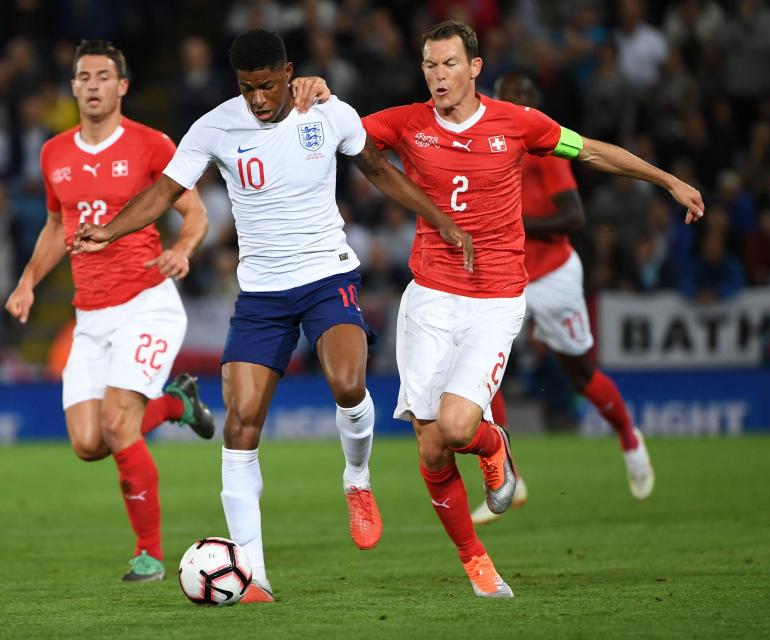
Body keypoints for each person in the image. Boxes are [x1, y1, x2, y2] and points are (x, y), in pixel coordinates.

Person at [73, 29, 474, 603]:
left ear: (289, 72)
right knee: (240, 424)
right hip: (261, 296)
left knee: (349, 382)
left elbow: (381, 171)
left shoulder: (328, 112)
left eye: (266, 86)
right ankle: (254, 576)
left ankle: (356, 479)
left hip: (326, 276)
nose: (258, 100)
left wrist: (441, 219)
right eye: (246, 89)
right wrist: (110, 229)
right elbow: (165, 189)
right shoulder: (215, 126)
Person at [349, 20, 701, 598]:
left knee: (460, 428)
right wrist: (310, 93)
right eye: (430, 66)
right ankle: (476, 563)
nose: (438, 76)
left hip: (494, 300)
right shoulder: (404, 122)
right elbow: (339, 136)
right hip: (430, 297)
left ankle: (494, 445)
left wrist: (667, 181)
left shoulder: (517, 124)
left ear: (475, 67)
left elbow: (590, 150)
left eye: (450, 64)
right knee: (432, 443)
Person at [4, 40, 216, 583]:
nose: (93, 85)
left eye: (103, 76)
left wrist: (181, 250)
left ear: (122, 86)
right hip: (91, 316)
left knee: (119, 426)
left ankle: (148, 554)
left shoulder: (151, 144)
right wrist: (28, 281)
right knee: (87, 443)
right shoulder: (54, 153)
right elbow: (58, 227)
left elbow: (194, 213)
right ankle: (175, 405)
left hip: (147, 305)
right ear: (72, 86)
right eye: (83, 76)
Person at [470, 72, 656, 528]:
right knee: (479, 376)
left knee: (581, 374)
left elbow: (574, 218)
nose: (521, 108)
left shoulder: (544, 151)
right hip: (504, 274)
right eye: (513, 99)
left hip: (552, 276)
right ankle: (511, 478)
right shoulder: (485, 145)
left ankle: (629, 438)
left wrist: (512, 222)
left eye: (529, 100)